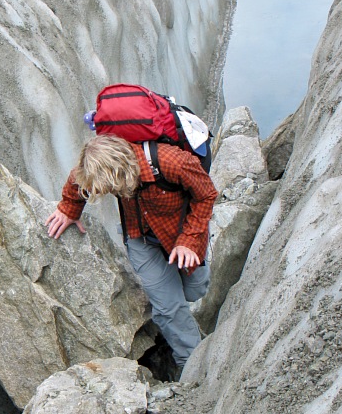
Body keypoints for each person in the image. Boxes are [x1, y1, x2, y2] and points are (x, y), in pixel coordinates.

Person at [45, 134, 218, 378]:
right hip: (141, 238)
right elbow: (78, 180)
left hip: (182, 234)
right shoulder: (97, 165)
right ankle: (194, 368)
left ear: (121, 172)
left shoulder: (171, 161)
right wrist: (69, 209)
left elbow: (207, 194)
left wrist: (190, 240)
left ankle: (171, 318)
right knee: (170, 307)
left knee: (194, 291)